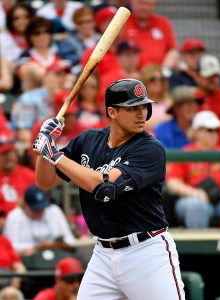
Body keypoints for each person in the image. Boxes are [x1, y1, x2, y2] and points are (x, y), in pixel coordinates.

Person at [32, 78, 185, 300]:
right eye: (133, 108)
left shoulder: (150, 148)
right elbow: (45, 181)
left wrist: (53, 154)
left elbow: (104, 187)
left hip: (146, 252)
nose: (141, 114)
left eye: (144, 106)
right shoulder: (88, 140)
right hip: (103, 254)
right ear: (112, 112)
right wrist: (45, 149)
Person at [166, 110, 220, 228]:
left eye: (217, 130)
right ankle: (199, 246)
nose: (214, 134)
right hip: (197, 200)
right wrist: (194, 193)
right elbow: (173, 182)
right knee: (195, 205)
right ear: (196, 132)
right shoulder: (186, 152)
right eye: (210, 130)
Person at [4, 184, 76, 256]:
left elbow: (70, 240)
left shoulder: (54, 210)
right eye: (35, 210)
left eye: (42, 208)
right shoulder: (15, 216)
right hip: (28, 261)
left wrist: (56, 244)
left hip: (56, 256)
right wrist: (38, 247)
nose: (40, 212)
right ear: (25, 205)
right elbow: (9, 247)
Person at [121, 0, 179, 69]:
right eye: (140, 3)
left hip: (158, 74)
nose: (144, 7)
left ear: (154, 5)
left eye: (148, 4)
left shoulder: (163, 23)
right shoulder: (124, 21)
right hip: (131, 73)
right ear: (132, 3)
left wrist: (164, 70)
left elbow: (173, 50)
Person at [0, 131, 35, 215]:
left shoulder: (30, 175)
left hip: (26, 219)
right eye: (4, 154)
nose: (8, 157)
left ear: (16, 155)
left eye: (10, 153)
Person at [196, 54, 220, 121]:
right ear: (198, 77)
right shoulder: (191, 99)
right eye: (209, 76)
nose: (214, 80)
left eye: (216, 76)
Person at [140, 63, 173, 131]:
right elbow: (140, 124)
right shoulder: (139, 103)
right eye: (153, 79)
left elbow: (176, 121)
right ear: (145, 81)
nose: (158, 82)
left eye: (161, 79)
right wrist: (166, 118)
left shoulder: (169, 101)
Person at [0, 210, 26, 289]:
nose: (1, 220)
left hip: (5, 282)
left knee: (10, 293)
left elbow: (19, 267)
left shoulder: (4, 241)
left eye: (1, 217)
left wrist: (16, 281)